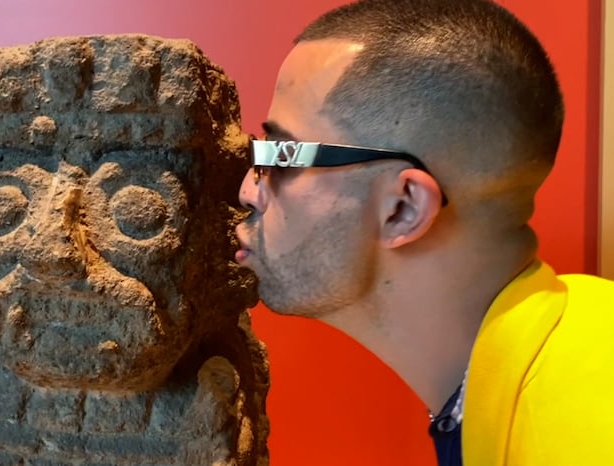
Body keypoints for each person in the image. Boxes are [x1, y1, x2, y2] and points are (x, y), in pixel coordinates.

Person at [234, 0, 614, 465]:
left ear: (404, 208)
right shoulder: (567, 350)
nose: (248, 191)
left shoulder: (566, 441)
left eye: (283, 155)